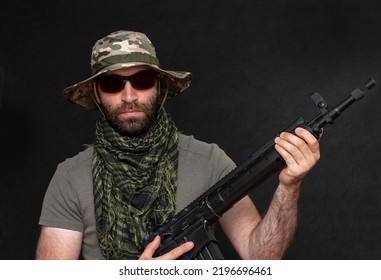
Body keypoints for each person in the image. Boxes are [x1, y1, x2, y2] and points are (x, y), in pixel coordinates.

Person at [35, 30, 321, 260]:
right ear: (97, 93)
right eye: (112, 84)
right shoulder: (71, 177)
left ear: (159, 86)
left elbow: (261, 260)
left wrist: (289, 187)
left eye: (142, 80)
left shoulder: (208, 160)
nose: (129, 96)